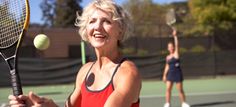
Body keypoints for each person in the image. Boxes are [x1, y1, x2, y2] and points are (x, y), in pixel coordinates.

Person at [8, 0, 141, 107]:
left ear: (120, 31)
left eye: (106, 21)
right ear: (86, 30)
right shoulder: (85, 71)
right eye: (92, 21)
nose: (97, 27)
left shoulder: (128, 73)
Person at [162, 29, 190, 107]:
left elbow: (177, 45)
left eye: (171, 47)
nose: (170, 48)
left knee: (180, 90)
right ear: (168, 48)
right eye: (169, 47)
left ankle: (183, 103)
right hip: (170, 74)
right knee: (168, 89)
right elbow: (167, 66)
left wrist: (175, 36)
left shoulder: (176, 54)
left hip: (177, 73)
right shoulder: (167, 57)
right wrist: (164, 75)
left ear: (173, 48)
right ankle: (167, 103)